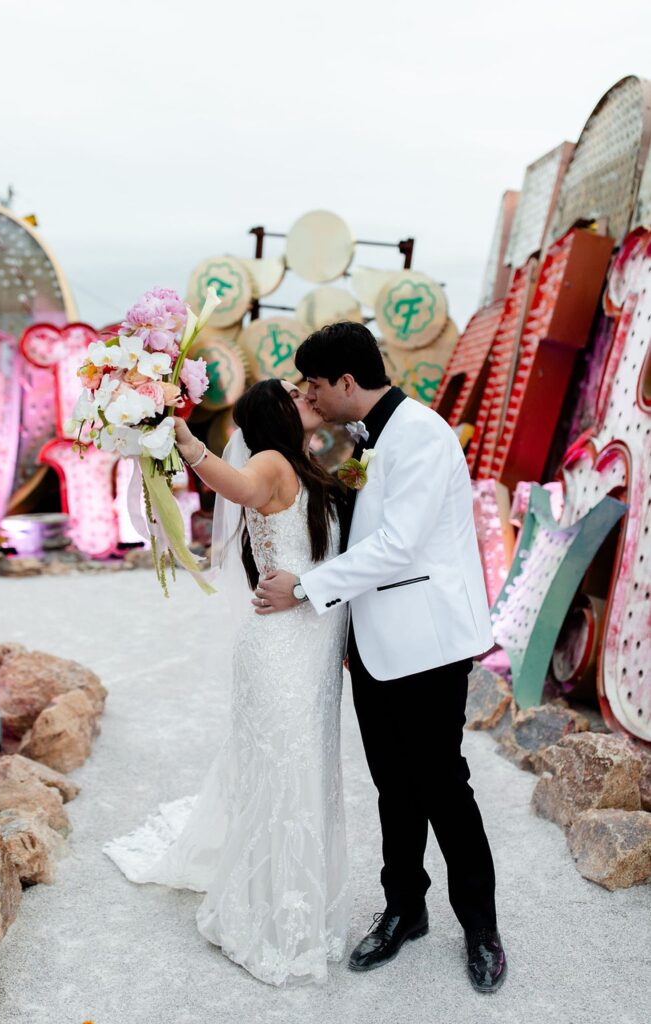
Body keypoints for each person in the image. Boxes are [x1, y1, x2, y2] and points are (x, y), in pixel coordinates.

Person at [254, 322, 507, 994]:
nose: (308, 393)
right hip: (371, 644)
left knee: (442, 787)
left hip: (424, 643)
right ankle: (404, 910)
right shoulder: (360, 437)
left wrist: (306, 590)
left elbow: (396, 545)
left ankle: (480, 927)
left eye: (313, 383)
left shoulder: (421, 434)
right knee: (393, 786)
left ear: (345, 382)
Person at [103, 378, 350, 988]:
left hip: (311, 643)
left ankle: (294, 896)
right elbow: (233, 485)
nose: (307, 395)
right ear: (275, 414)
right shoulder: (268, 462)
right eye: (296, 393)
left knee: (303, 767)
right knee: (285, 771)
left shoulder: (308, 464)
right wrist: (185, 440)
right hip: (281, 650)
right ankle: (268, 913)